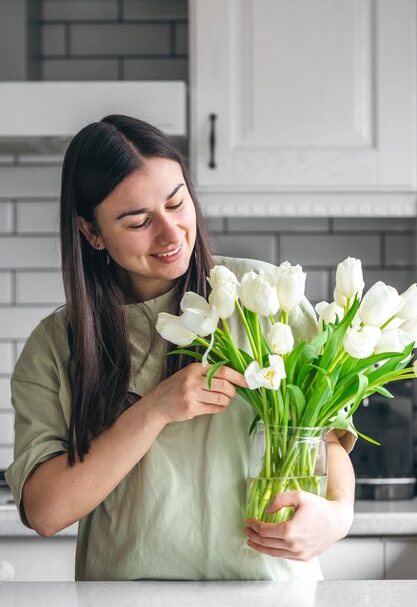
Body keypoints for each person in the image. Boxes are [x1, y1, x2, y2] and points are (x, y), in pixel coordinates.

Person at [5, 115, 355, 581]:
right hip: (127, 599)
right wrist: (154, 409)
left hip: (264, 592)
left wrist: (337, 516)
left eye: (176, 203)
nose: (170, 234)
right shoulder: (56, 344)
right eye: (138, 222)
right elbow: (46, 512)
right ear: (91, 233)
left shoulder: (261, 293)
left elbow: (326, 439)